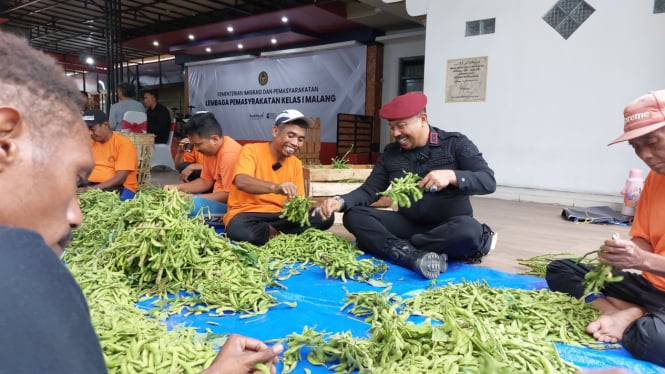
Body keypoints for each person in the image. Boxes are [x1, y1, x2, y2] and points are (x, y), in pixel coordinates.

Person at [0, 30, 282, 374]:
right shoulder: (22, 278)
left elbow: (218, 189)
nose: (78, 216)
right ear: (5, 141)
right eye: (74, 179)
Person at [318, 92, 497, 279]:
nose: (395, 133)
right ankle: (415, 255)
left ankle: (397, 248)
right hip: (408, 223)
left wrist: (452, 176)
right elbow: (370, 190)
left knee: (469, 231)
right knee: (354, 215)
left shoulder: (456, 144)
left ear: (423, 119)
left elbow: (487, 180)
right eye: (392, 127)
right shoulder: (390, 155)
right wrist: (340, 201)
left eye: (401, 126)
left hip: (448, 226)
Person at [546, 90, 665, 367]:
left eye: (651, 142)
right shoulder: (655, 179)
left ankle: (638, 316)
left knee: (653, 340)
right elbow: (645, 240)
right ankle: (628, 313)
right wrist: (626, 253)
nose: (644, 155)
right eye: (636, 147)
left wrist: (643, 260)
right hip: (652, 286)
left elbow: (645, 257)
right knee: (560, 269)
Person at [223, 109, 335, 245]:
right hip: (248, 214)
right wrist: (275, 188)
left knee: (325, 217)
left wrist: (320, 203)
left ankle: (270, 233)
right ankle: (284, 235)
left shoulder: (295, 163)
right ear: (275, 131)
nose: (295, 143)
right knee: (239, 230)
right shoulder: (251, 150)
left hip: (280, 216)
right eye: (291, 135)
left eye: (300, 139)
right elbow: (242, 181)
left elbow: (298, 203)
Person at [165, 112, 241, 218]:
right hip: (220, 199)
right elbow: (206, 181)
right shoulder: (211, 150)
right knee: (174, 203)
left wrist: (193, 198)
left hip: (234, 207)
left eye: (198, 144)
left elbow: (229, 195)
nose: (196, 149)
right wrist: (179, 188)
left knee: (186, 208)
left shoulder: (229, 155)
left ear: (214, 139)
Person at [78, 109, 138, 201]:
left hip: (118, 187)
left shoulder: (123, 144)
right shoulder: (90, 143)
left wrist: (89, 190)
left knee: (99, 203)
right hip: (93, 185)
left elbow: (120, 178)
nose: (90, 133)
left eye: (92, 129)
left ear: (105, 125)